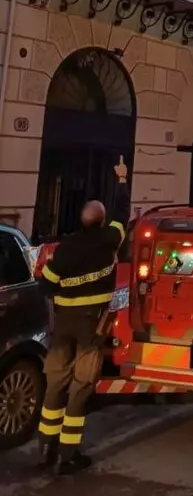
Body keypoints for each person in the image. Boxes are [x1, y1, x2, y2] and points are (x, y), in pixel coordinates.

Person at [37, 156, 131, 475]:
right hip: (91, 326)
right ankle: (68, 455)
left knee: (55, 385)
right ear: (102, 222)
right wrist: (121, 178)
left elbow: (45, 286)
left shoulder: (65, 249)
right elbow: (122, 214)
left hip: (64, 325)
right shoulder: (109, 241)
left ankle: (45, 448)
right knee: (81, 386)